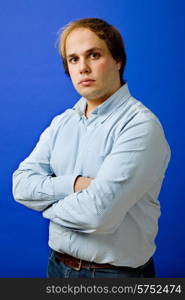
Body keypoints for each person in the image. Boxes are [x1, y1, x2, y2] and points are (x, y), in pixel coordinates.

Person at [12, 18, 171, 278]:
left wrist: (46, 208)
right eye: (73, 59)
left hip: (115, 276)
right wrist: (74, 184)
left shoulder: (141, 126)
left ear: (118, 60)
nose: (83, 68)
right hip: (57, 267)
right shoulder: (62, 122)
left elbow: (98, 215)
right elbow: (20, 184)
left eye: (94, 55)